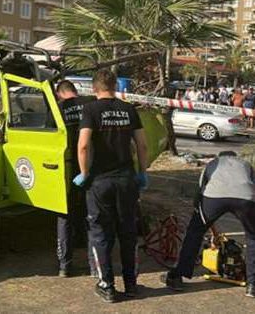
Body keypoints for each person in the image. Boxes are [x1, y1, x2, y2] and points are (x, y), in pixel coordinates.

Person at [75, 69, 149, 303]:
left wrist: (84, 173)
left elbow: (84, 146)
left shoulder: (90, 110)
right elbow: (142, 146)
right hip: (127, 180)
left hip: (100, 182)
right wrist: (142, 173)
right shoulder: (129, 110)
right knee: (128, 234)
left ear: (94, 88)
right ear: (115, 86)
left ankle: (107, 285)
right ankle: (131, 284)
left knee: (101, 234)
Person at [162, 151, 255, 298]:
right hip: (245, 198)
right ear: (235, 156)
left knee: (194, 233)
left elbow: (200, 190)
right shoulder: (245, 164)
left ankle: (178, 276)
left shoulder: (213, 163)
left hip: (213, 198)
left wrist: (200, 217)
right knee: (252, 238)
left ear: (219, 156)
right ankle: (252, 284)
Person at [55, 80, 94, 277]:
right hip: (91, 166)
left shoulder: (57, 109)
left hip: (66, 167)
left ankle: (65, 266)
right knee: (91, 215)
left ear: (58, 94)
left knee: (65, 216)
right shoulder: (90, 103)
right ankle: (94, 264)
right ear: (75, 91)